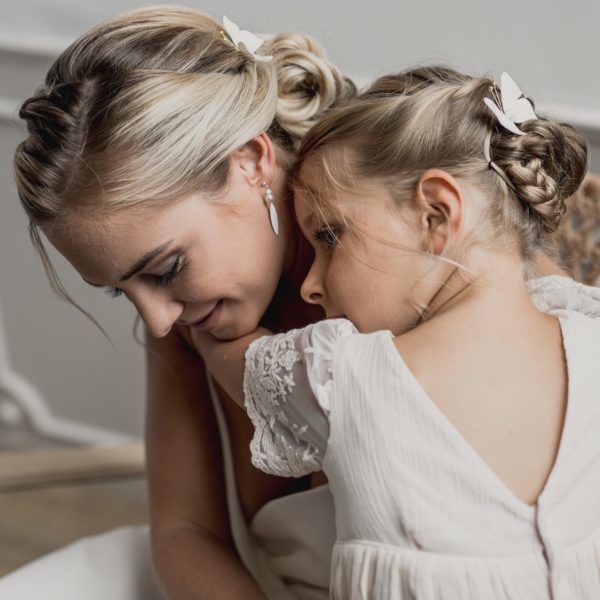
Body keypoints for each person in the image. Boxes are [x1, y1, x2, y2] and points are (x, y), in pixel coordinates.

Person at [4, 6, 598, 598]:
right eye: (119, 290)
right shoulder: (193, 322)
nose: (157, 321)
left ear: (251, 162)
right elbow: (185, 534)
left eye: (166, 268)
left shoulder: (428, 244)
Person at [193, 67, 600, 599]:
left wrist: (200, 311)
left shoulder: (343, 376)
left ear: (436, 214)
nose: (312, 284)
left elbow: (228, 346)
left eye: (330, 236)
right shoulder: (588, 335)